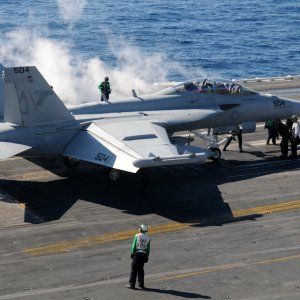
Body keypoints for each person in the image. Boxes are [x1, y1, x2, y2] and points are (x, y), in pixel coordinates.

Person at [127, 224, 151, 290]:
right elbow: (148, 248)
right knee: (140, 270)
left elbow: (134, 245)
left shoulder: (137, 235)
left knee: (134, 269)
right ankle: (141, 285)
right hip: (144, 254)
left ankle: (132, 285)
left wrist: (132, 253)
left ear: (140, 229)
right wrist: (147, 256)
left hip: (137, 254)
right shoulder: (148, 237)